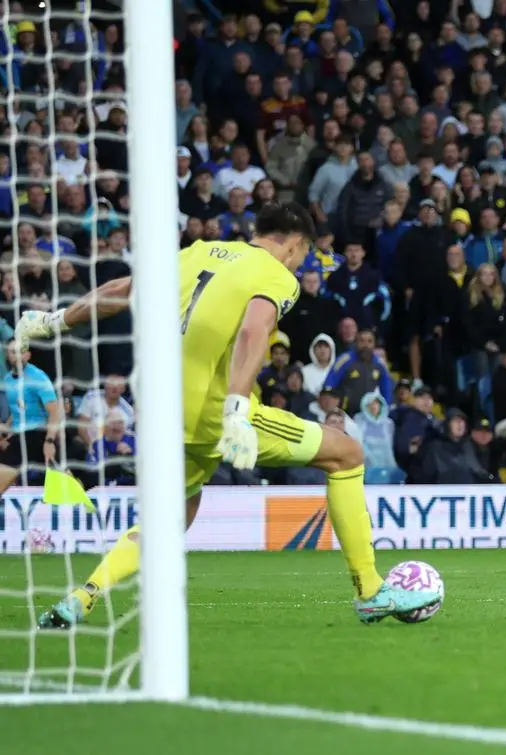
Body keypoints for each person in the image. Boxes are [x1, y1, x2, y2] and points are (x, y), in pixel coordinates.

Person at [18, 202, 439, 627]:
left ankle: (83, 596)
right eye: (304, 253)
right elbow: (254, 328)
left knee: (175, 512)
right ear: (295, 245)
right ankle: (369, 590)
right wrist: (237, 408)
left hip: (162, 413)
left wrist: (56, 321)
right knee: (346, 454)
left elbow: (123, 290)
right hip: (218, 412)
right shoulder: (277, 275)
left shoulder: (199, 251)